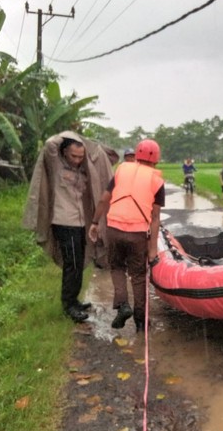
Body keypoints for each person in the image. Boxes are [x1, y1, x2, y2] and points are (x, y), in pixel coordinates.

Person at [23, 131, 113, 323]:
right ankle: (68, 305)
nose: (77, 160)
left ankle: (74, 300)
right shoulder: (56, 164)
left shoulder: (83, 169)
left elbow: (104, 158)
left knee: (78, 263)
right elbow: (49, 144)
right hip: (64, 222)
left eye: (81, 157)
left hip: (80, 223)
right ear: (64, 152)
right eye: (74, 156)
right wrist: (72, 135)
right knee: (72, 264)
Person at [89, 139, 165, 332]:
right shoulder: (157, 180)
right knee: (138, 276)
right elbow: (155, 217)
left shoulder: (122, 170)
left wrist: (95, 223)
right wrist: (152, 249)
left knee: (116, 267)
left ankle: (122, 304)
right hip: (138, 233)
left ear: (137, 155)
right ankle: (141, 321)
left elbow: (103, 200)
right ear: (157, 158)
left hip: (114, 228)